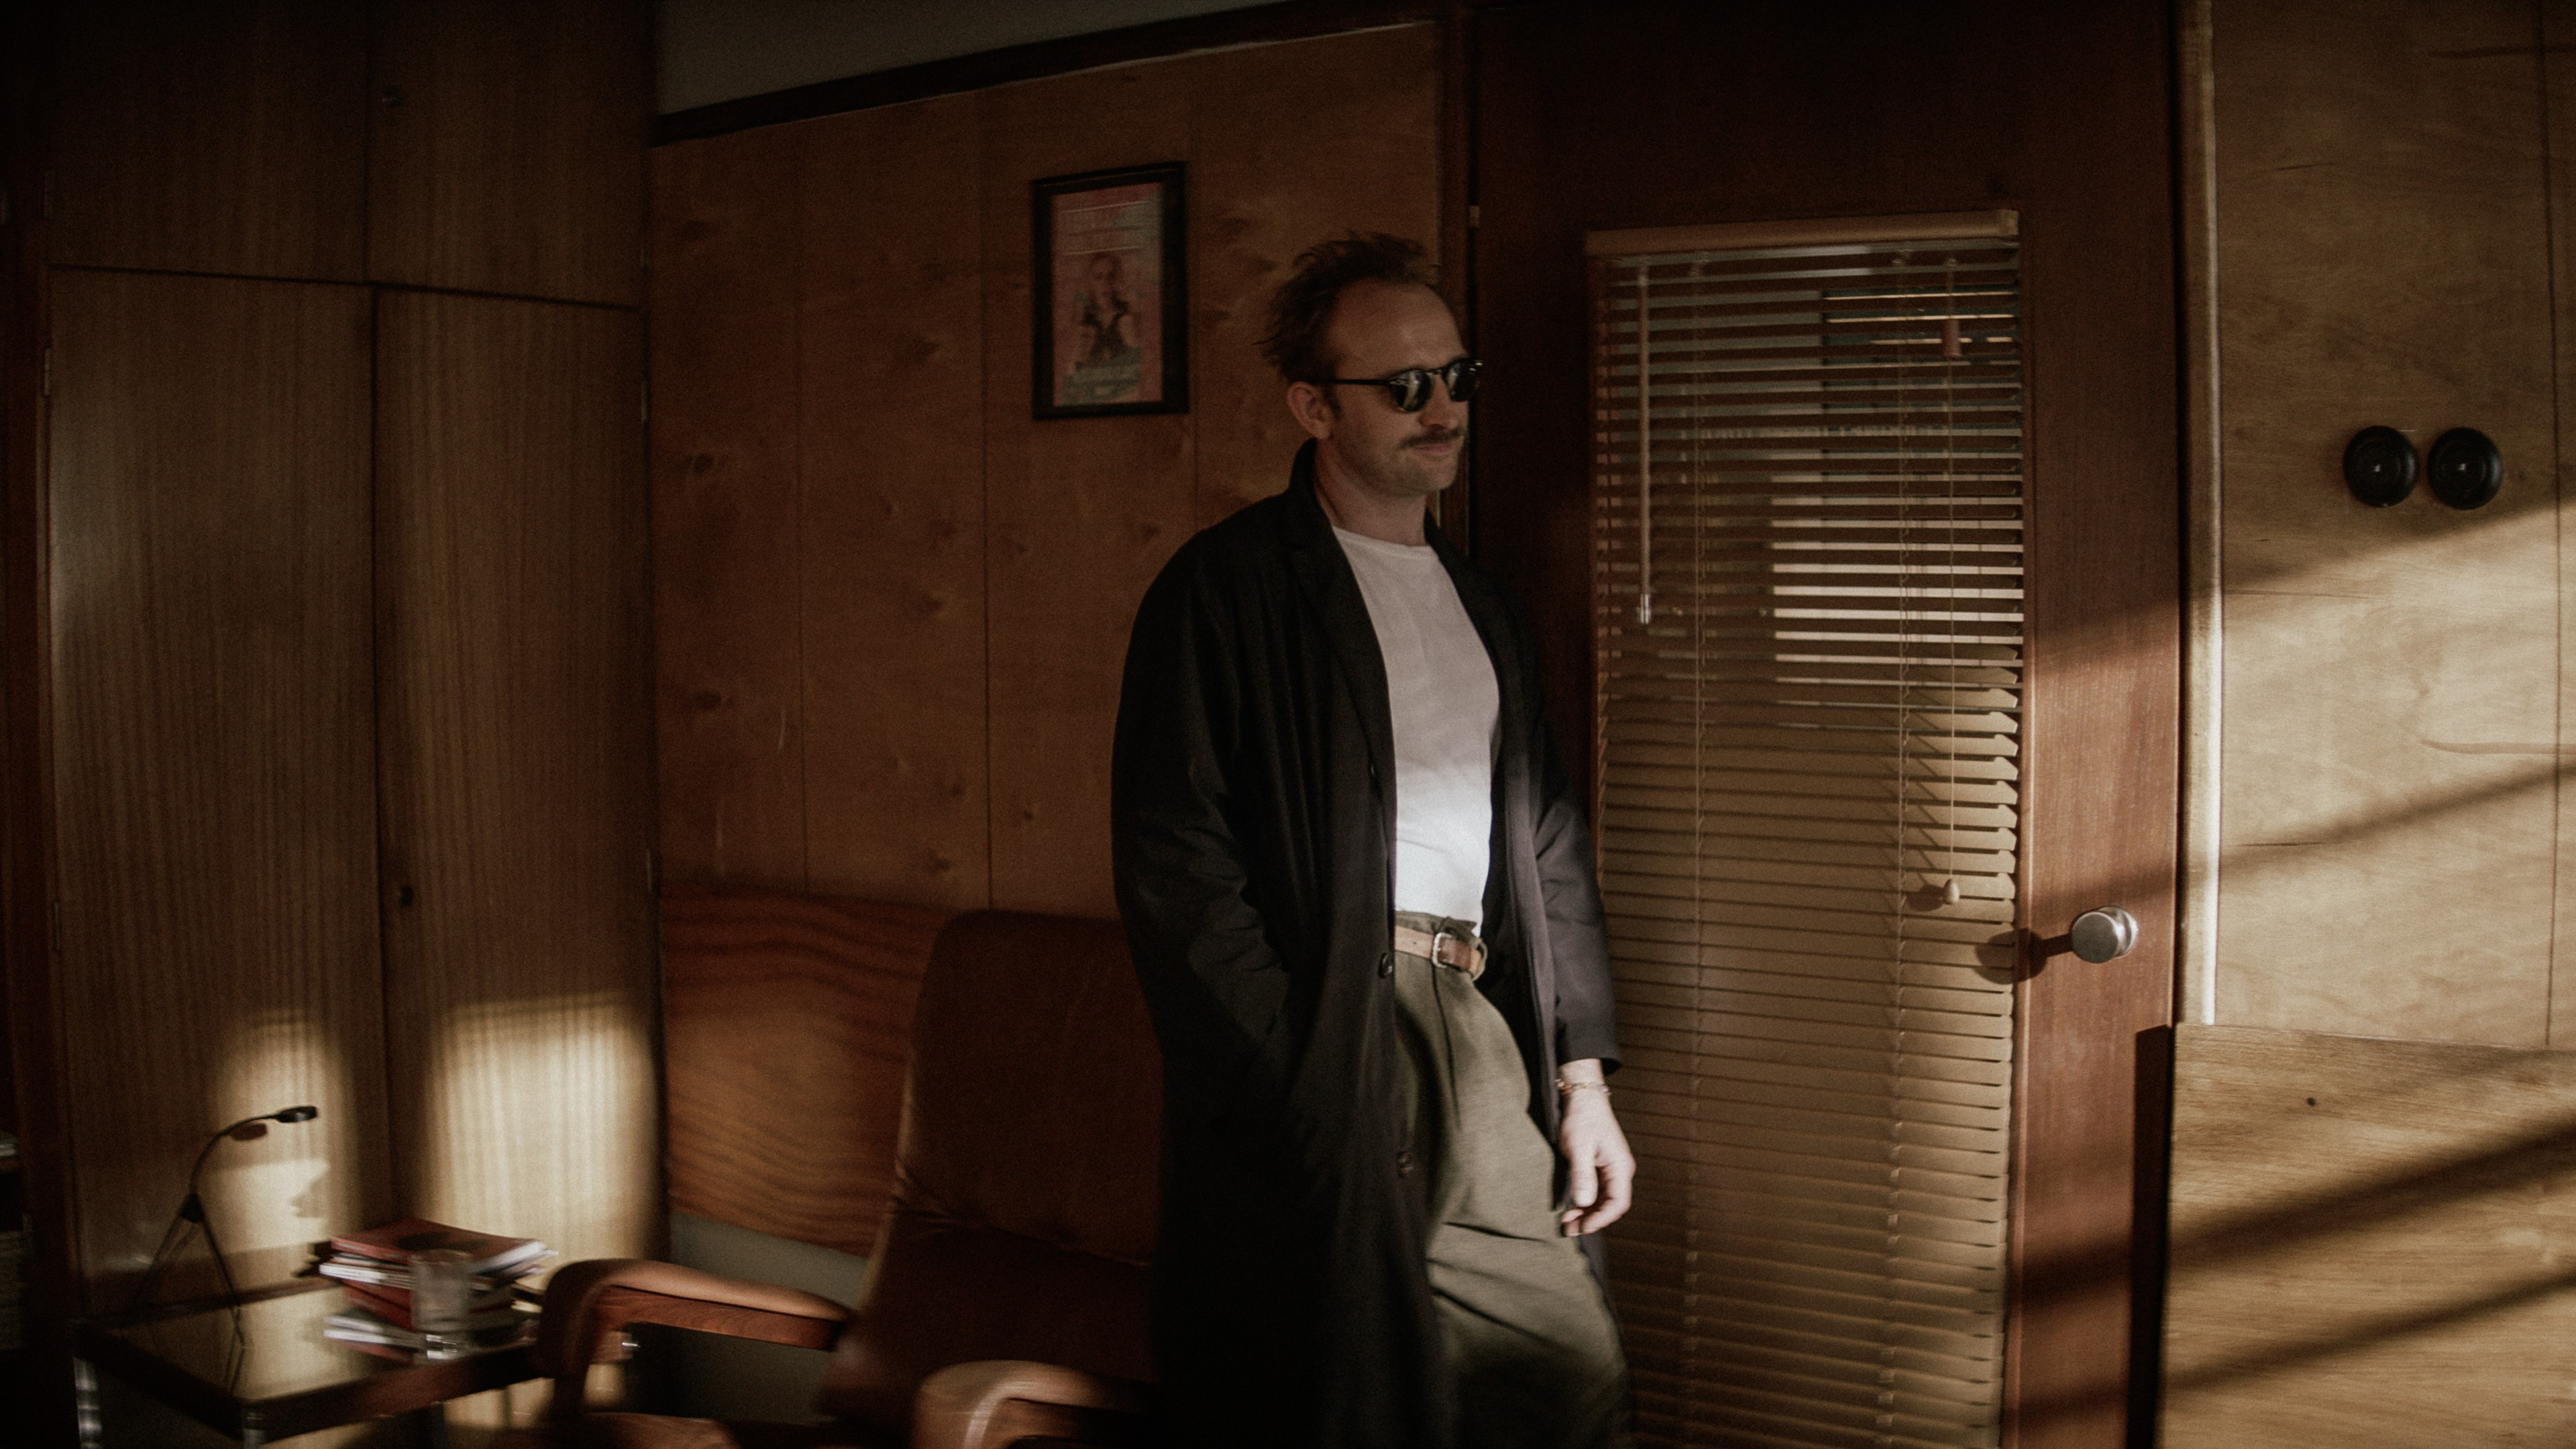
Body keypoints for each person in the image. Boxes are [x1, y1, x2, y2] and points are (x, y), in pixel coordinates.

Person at [1111, 232, 1633, 1449]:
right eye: (1403, 387)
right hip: (1332, 1019)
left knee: (1566, 1384)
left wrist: (1584, 1081)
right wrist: (1289, 1068)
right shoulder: (1227, 588)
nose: (1441, 409)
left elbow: (1548, 846)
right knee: (1345, 1393)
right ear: (1315, 406)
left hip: (1475, 1020)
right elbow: (1178, 863)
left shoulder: (1485, 605)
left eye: (1457, 377)